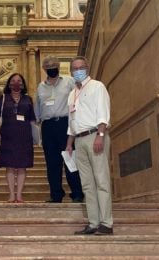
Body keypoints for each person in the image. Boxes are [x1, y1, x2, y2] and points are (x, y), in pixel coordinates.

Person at [65, 56, 113, 235]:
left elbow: (103, 113)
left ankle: (106, 223)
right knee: (87, 184)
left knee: (101, 180)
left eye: (81, 67)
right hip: (79, 139)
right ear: (71, 72)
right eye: (74, 68)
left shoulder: (97, 87)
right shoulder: (72, 94)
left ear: (87, 68)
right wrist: (70, 143)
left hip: (95, 136)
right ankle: (93, 222)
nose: (78, 71)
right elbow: (72, 120)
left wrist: (100, 135)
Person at [35, 56, 84, 203]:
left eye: (53, 65)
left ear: (58, 66)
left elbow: (78, 99)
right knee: (52, 162)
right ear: (44, 69)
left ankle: (77, 192)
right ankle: (56, 194)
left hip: (65, 124)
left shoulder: (69, 81)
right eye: (48, 66)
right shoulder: (40, 87)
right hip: (48, 126)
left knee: (70, 159)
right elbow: (37, 107)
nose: (51, 68)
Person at [0, 73, 35, 203]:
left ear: (23, 84)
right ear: (9, 83)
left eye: (19, 81)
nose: (16, 83)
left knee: (23, 165)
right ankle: (11, 194)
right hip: (7, 134)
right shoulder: (3, 98)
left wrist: (35, 136)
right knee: (9, 165)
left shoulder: (28, 99)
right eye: (13, 80)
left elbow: (32, 118)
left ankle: (19, 195)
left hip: (24, 134)